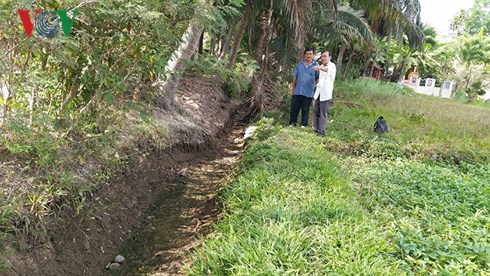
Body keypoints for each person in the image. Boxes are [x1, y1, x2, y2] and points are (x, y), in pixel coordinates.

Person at [289, 48, 319, 127]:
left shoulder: (316, 66)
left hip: (308, 92)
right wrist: (293, 90)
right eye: (307, 54)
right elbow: (295, 78)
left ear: (313, 56)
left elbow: (317, 79)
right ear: (304, 55)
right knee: (294, 108)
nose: (308, 56)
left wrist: (316, 91)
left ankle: (304, 124)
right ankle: (292, 123)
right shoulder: (299, 65)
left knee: (305, 109)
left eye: (310, 54)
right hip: (297, 91)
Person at [312, 51, 336, 137]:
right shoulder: (321, 66)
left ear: (330, 57)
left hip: (326, 93)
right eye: (322, 56)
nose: (323, 58)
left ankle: (321, 132)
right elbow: (319, 78)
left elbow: (327, 70)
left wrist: (319, 68)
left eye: (325, 56)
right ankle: (315, 128)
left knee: (323, 113)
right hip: (319, 91)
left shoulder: (332, 66)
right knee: (315, 110)